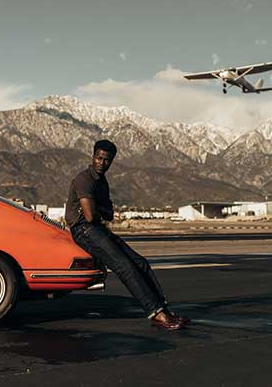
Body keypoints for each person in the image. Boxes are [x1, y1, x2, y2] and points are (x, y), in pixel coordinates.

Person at [65, 139, 189, 330]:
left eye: (107, 160)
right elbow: (90, 217)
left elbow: (109, 214)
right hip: (83, 230)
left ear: (111, 161)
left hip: (98, 228)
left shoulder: (102, 182)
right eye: (99, 158)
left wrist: (96, 208)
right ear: (93, 156)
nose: (102, 163)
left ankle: (163, 309)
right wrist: (98, 210)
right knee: (124, 266)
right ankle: (155, 313)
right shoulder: (84, 179)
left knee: (141, 263)